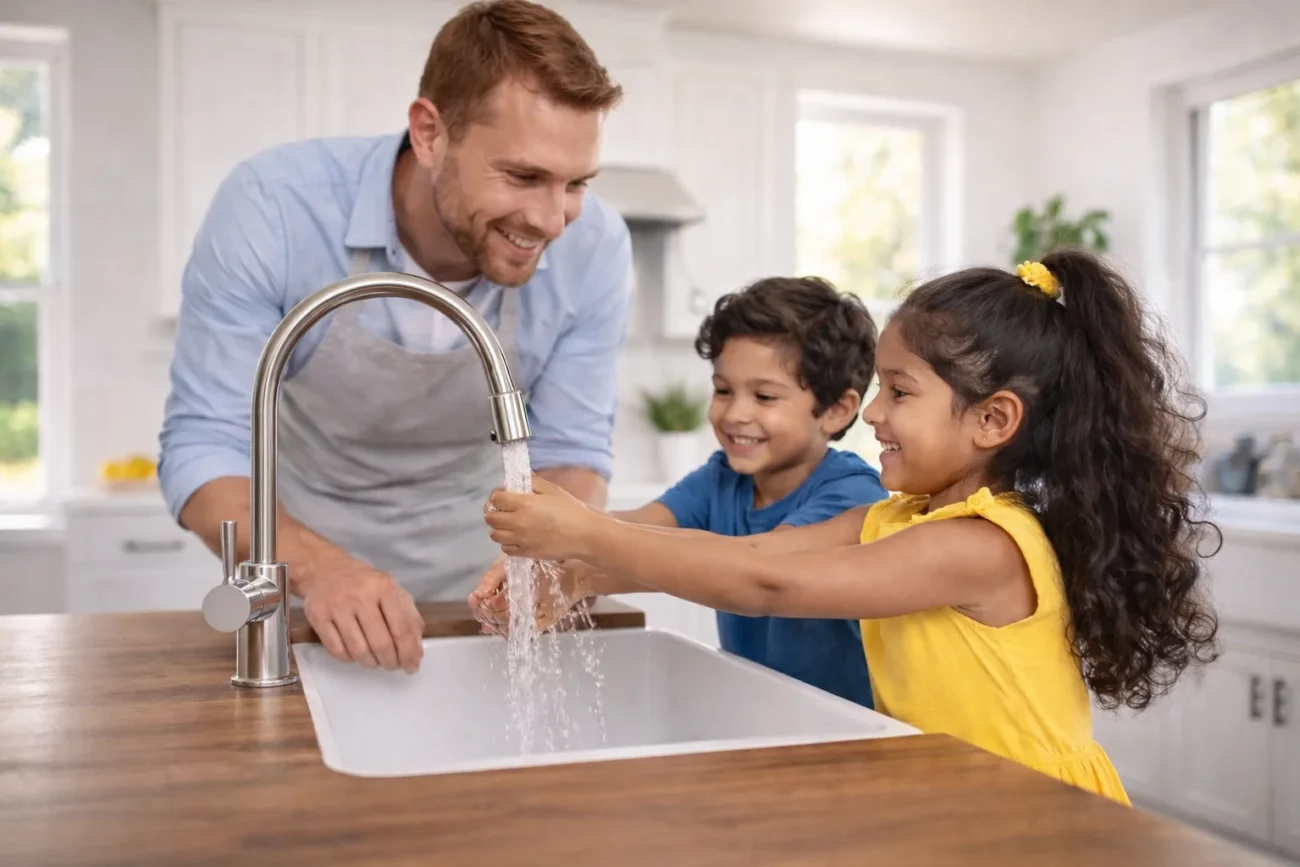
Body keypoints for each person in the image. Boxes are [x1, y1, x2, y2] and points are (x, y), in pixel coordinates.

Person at [479, 249, 1224, 805]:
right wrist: (576, 561)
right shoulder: (895, 515)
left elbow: (768, 584)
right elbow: (759, 551)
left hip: (1035, 811)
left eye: (899, 391)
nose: (872, 413)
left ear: (993, 419)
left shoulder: (981, 546)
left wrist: (584, 533)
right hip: (950, 802)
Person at [158, 0, 632, 674]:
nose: (553, 220)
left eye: (576, 183)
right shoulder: (274, 207)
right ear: (430, 133)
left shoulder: (597, 246)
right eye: (523, 176)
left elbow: (571, 452)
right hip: (307, 589)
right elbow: (205, 446)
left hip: (486, 598)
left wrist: (547, 566)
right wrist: (319, 569)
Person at [473, 276, 886, 706]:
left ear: (836, 410)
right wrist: (559, 567)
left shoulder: (852, 496)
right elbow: (641, 531)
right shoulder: (721, 479)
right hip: (760, 713)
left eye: (764, 396)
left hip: (853, 727)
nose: (735, 413)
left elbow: (757, 568)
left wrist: (581, 536)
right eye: (723, 390)